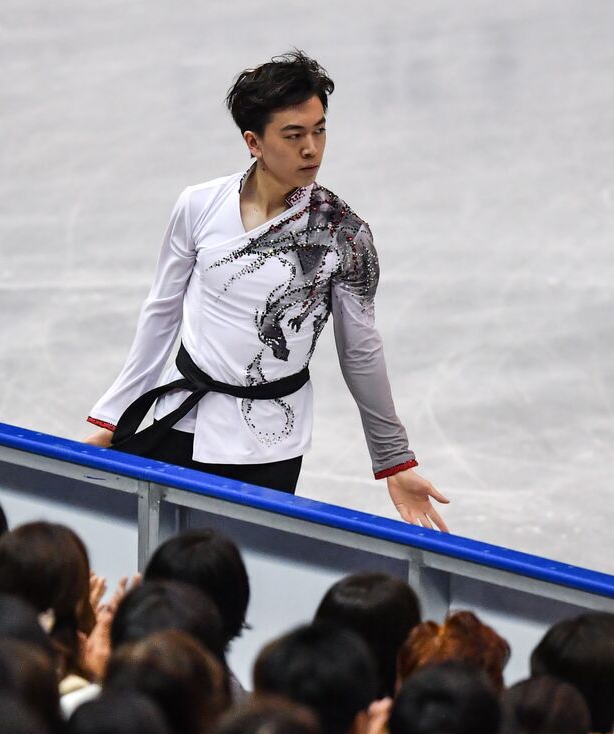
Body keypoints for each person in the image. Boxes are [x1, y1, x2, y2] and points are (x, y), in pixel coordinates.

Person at [81, 51, 448, 530]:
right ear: (253, 142)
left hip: (270, 441)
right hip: (180, 419)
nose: (312, 149)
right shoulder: (198, 205)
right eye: (294, 135)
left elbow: (360, 352)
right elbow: (162, 312)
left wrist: (394, 459)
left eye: (319, 130)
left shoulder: (343, 235)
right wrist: (111, 414)